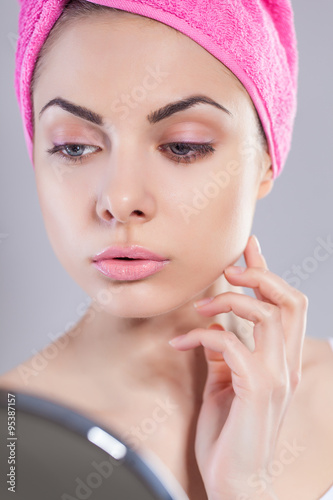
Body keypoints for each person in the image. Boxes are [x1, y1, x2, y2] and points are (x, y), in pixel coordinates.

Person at [1, 0, 333, 499]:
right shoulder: (14, 442)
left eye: (183, 145)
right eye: (74, 147)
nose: (120, 199)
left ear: (266, 158)